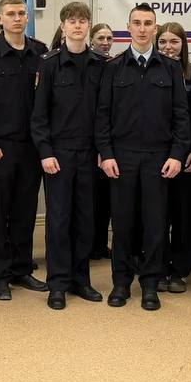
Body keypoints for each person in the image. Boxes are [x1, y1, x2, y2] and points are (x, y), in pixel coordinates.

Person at [95, 3, 190, 311]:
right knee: (122, 224)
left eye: (148, 23)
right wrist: (106, 153)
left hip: (158, 158)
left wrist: (177, 155)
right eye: (137, 23)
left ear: (155, 27)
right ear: (128, 27)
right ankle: (121, 283)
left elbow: (181, 116)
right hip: (121, 157)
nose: (142, 28)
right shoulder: (113, 67)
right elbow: (102, 115)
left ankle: (150, 284)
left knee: (155, 224)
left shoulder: (170, 68)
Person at [30, 1, 105, 310]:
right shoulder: (48, 64)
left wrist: (104, 151)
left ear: (88, 25)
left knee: (86, 219)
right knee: (59, 220)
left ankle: (80, 279)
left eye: (82, 21)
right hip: (58, 154)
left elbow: (106, 113)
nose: (77, 25)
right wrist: (45, 152)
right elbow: (39, 115)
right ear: (62, 27)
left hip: (89, 154)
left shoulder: (101, 64)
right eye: (71, 21)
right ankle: (58, 283)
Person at [0, 0, 48, 300]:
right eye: (10, 14)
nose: (17, 18)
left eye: (21, 13)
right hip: (1, 148)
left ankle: (21, 268)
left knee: (26, 210)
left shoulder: (41, 52)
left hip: (32, 146)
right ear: (0, 18)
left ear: (27, 17)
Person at [157, 21, 191, 292]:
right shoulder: (151, 71)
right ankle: (158, 265)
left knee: (184, 214)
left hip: (187, 156)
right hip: (157, 155)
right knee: (158, 214)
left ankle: (180, 268)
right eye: (163, 41)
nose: (168, 47)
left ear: (184, 45)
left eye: (174, 41)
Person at [88, 23, 115, 259]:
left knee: (106, 198)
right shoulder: (89, 64)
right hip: (89, 142)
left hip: (109, 143)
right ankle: (89, 244)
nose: (105, 43)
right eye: (100, 38)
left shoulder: (113, 64)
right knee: (92, 200)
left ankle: (99, 244)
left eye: (109, 38)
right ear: (91, 39)